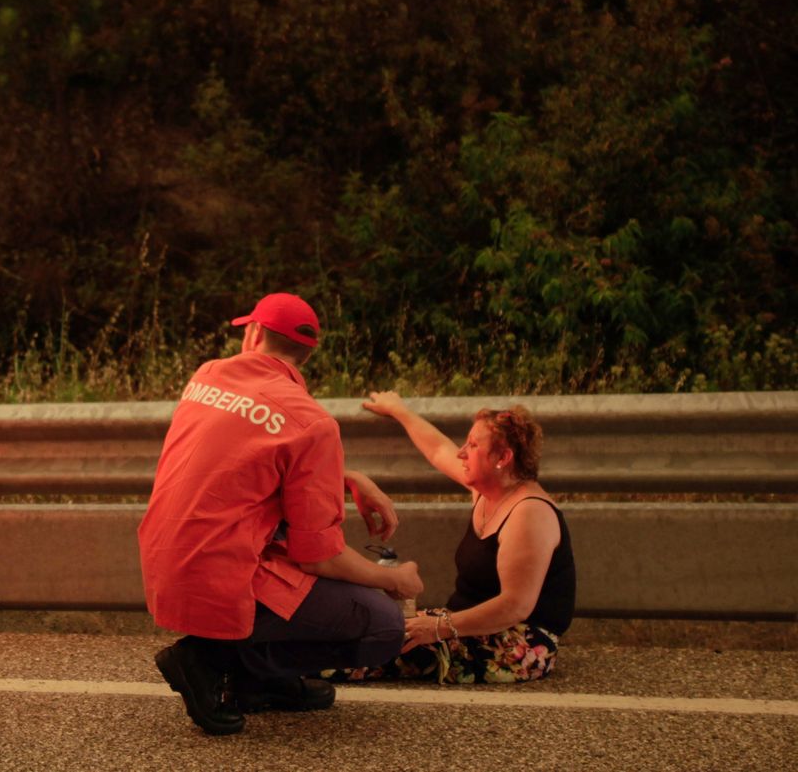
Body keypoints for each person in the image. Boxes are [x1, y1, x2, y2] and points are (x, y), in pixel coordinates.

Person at [138, 293, 423, 735]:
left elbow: (242, 455)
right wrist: (395, 579)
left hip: (165, 563)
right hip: (219, 575)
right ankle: (207, 658)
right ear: (307, 355)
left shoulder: (207, 376)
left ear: (252, 334)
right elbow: (320, 558)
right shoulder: (313, 423)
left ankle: (259, 681)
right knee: (385, 626)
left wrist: (345, 476)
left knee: (291, 539)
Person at [342, 393, 577, 683]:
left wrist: (439, 627)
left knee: (378, 649)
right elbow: (439, 449)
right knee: (378, 624)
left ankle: (292, 670)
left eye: (474, 446)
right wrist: (399, 410)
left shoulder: (529, 513)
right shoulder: (489, 491)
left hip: (518, 641)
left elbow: (516, 606)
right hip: (465, 623)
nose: (461, 453)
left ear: (503, 458)